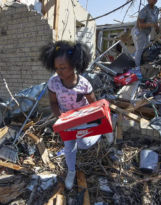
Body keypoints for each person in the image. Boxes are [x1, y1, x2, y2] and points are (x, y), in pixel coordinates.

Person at [39, 41, 113, 190]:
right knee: (69, 147)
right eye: (56, 68)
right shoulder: (54, 83)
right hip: (66, 120)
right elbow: (53, 103)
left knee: (83, 144)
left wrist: (101, 122)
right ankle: (71, 172)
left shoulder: (84, 84)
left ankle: (102, 131)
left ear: (74, 64)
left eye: (63, 67)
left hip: (83, 118)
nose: (59, 71)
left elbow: (94, 104)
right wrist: (61, 118)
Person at [131, 0, 161, 70]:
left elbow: (156, 22)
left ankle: (144, 64)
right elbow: (139, 24)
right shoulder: (144, 10)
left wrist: (160, 29)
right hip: (139, 31)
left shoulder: (156, 9)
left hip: (147, 32)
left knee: (147, 48)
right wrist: (151, 24)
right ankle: (137, 67)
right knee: (140, 49)